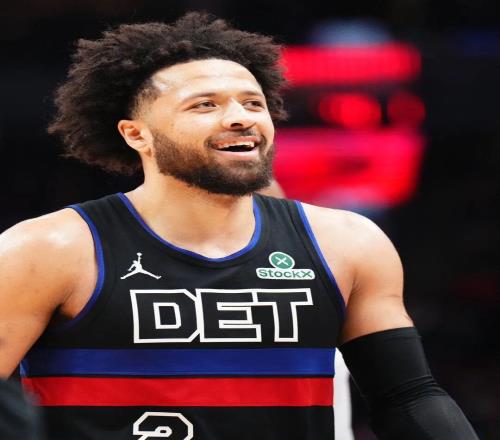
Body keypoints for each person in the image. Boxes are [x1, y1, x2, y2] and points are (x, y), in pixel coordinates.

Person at [0, 12, 479, 440]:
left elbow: (409, 398)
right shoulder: (49, 248)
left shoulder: (347, 243)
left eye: (253, 103)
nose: (239, 118)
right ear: (136, 134)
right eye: (204, 105)